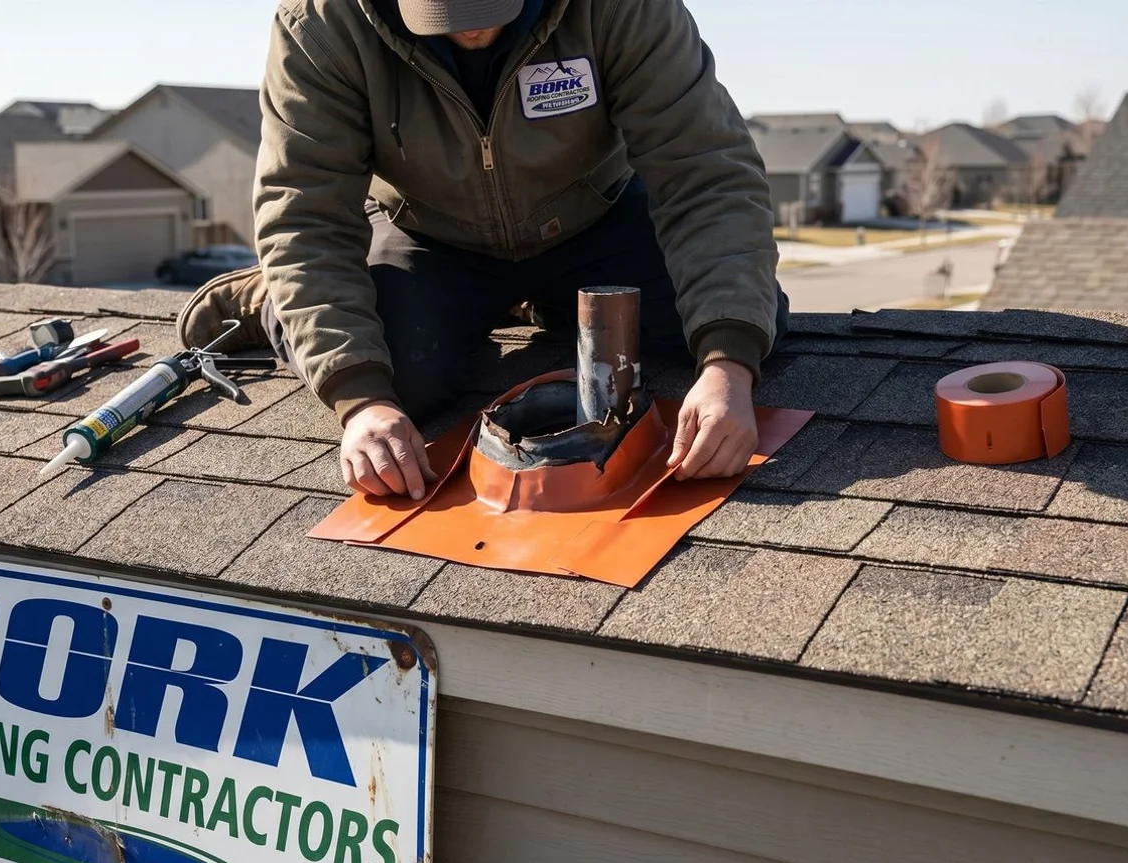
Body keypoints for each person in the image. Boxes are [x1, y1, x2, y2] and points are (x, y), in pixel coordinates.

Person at [179, 0, 790, 501]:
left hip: (590, 216)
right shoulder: (321, 24)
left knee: (733, 317)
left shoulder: (623, 8)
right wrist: (359, 399)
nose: (470, 26)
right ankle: (270, 299)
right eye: (441, 9)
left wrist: (728, 366)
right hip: (426, 231)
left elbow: (707, 175)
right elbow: (303, 214)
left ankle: (538, 299)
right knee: (400, 377)